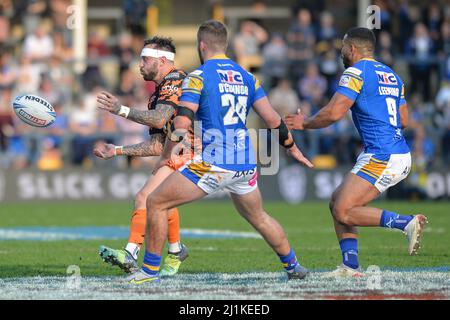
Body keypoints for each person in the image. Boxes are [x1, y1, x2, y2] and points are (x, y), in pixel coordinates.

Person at [127, 20, 313, 285]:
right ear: (224, 45)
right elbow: (272, 119)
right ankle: (294, 267)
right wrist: (292, 148)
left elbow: (181, 123)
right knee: (259, 216)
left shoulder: (198, 77)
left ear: (202, 45)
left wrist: (169, 154)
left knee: (156, 202)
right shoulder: (248, 77)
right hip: (245, 164)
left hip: (215, 162)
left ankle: (148, 272)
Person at [285, 27, 428, 277]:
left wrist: (304, 123)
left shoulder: (355, 73)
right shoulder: (392, 76)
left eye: (343, 47)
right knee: (337, 202)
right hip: (390, 151)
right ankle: (350, 266)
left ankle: (406, 223)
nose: (341, 52)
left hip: (383, 154)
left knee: (343, 209)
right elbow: (404, 119)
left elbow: (334, 113)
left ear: (352, 49)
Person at [94, 36, 191, 276]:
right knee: (160, 199)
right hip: (179, 149)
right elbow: (158, 145)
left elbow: (159, 119)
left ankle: (130, 254)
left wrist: (120, 110)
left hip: (197, 149)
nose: (140, 65)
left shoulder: (175, 79)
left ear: (162, 60)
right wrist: (116, 151)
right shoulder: (156, 95)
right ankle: (176, 249)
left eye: (145, 59)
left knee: (145, 197)